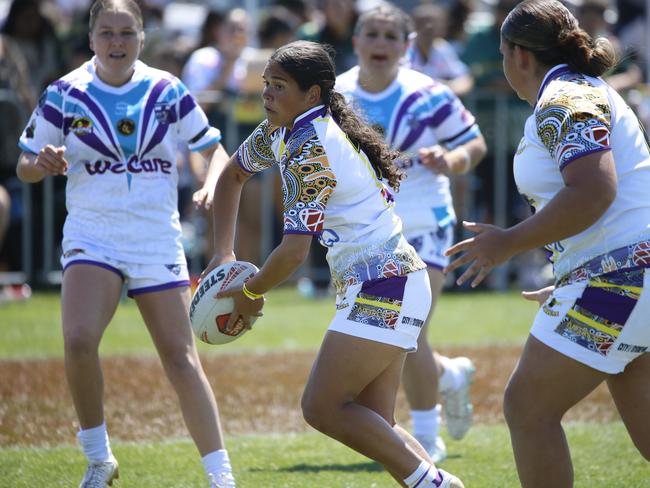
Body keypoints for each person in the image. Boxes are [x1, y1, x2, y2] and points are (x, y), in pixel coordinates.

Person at [206, 40, 464, 488]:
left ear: (312, 95)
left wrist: (249, 294)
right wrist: (223, 254)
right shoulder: (281, 130)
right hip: (389, 281)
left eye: (279, 85)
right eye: (266, 83)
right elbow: (231, 176)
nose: (266, 93)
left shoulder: (309, 146)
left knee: (322, 407)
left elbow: (292, 253)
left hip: (384, 283)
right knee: (375, 422)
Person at [15, 1, 235, 487]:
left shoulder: (166, 89)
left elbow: (213, 150)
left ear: (142, 37)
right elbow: (24, 165)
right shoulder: (66, 93)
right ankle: (99, 459)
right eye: (108, 33)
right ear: (92, 38)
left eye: (127, 33)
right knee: (77, 340)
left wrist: (209, 182)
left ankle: (222, 476)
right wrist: (43, 163)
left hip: (155, 236)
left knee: (180, 357)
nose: (117, 43)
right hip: (92, 234)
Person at [445, 0, 650, 486]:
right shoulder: (577, 90)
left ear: (517, 55)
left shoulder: (563, 98)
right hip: (623, 276)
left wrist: (507, 243)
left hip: (619, 278)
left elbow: (596, 189)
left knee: (528, 407)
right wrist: (570, 273)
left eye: (501, 56)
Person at [336, 4, 486, 464]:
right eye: (372, 34)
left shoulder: (427, 93)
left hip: (424, 220)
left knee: (410, 329)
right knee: (376, 329)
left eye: (390, 37)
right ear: (356, 41)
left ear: (406, 46)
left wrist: (452, 159)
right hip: (361, 230)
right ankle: (447, 374)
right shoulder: (335, 95)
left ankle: (427, 438)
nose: (380, 44)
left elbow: (474, 142)